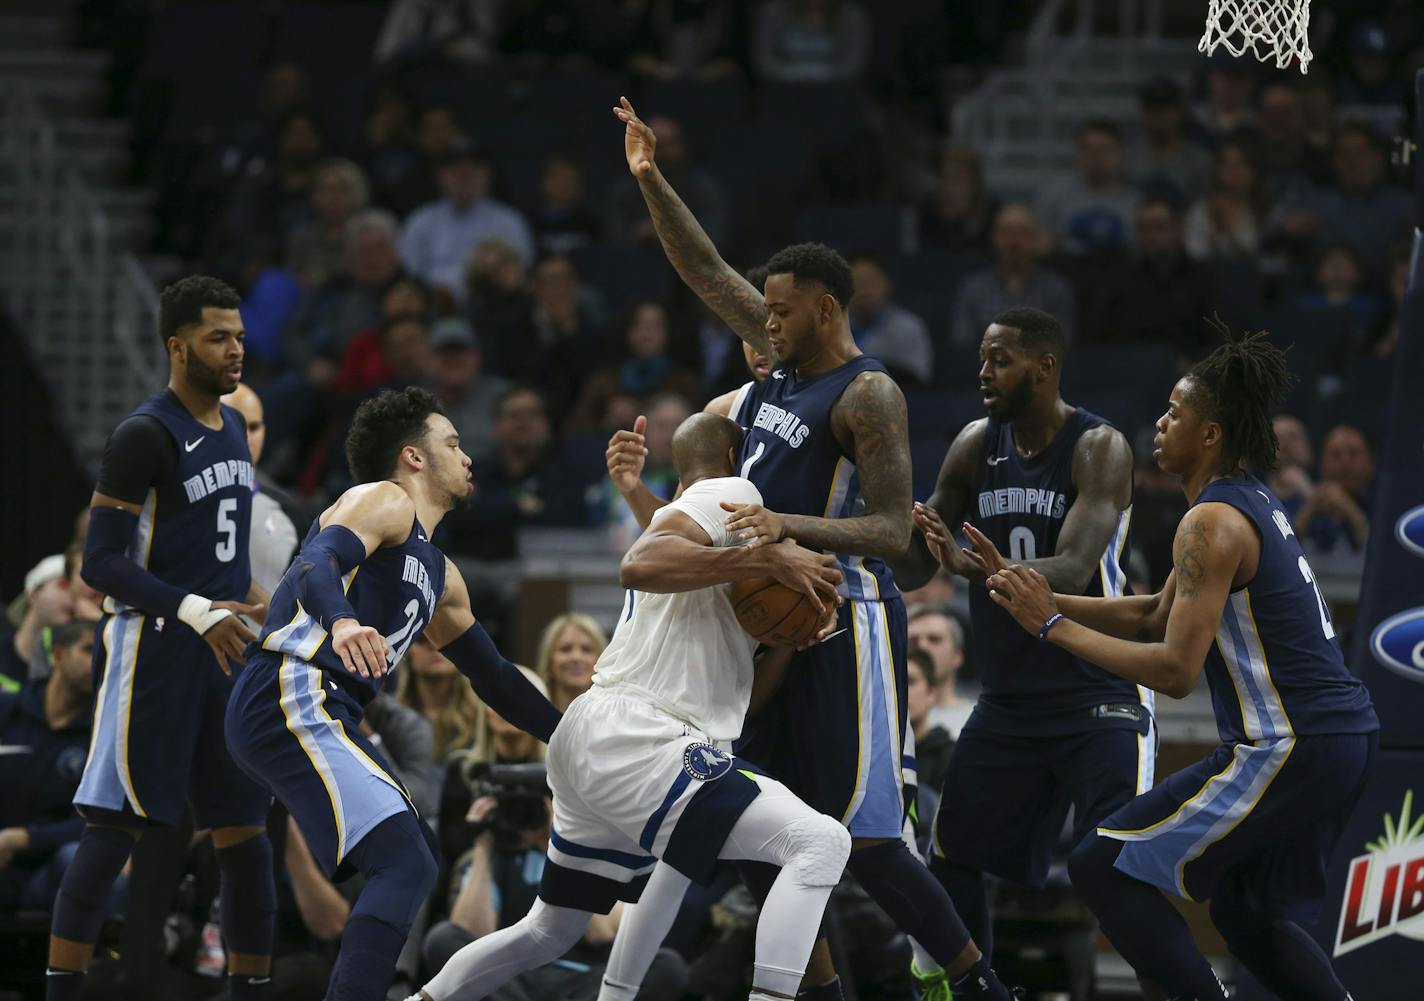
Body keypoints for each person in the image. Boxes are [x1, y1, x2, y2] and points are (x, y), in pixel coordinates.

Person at [611, 98, 1011, 1001]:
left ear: (824, 309)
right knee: (755, 829)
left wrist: (786, 527)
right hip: (767, 614)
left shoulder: (869, 393)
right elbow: (707, 271)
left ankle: (979, 985)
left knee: (865, 839)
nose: (765, 325)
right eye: (767, 312)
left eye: (782, 312)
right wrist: (650, 178)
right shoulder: (782, 361)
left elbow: (890, 526)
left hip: (847, 615)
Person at [982, 329, 1379, 1001]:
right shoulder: (1241, 499)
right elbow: (1149, 614)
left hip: (1291, 741)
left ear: (1212, 433)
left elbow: (1172, 669)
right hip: (1340, 738)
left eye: (1174, 413)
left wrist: (1050, 627)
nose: (1159, 425)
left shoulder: (1210, 522)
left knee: (1102, 864)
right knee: (1243, 910)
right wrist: (1040, 595)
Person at [410, 411, 852, 1001]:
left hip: (599, 734)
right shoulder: (735, 495)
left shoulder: (712, 542)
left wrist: (788, 634)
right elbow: (638, 563)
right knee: (820, 841)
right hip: (645, 736)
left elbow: (676, 553)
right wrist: (772, 560)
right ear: (733, 459)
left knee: (549, 929)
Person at [224, 386, 564, 1001]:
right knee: (406, 861)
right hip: (292, 688)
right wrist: (344, 621)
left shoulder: (442, 576)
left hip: (323, 707)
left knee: (411, 859)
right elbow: (312, 563)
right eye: (453, 443)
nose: (467, 457)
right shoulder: (383, 501)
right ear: (413, 457)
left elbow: (496, 679)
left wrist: (569, 733)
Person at [892, 306, 1147, 994]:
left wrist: (979, 568)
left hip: (1096, 689)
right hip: (1011, 700)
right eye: (981, 358)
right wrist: (881, 536)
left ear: (1045, 365)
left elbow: (1072, 565)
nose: (983, 372)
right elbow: (920, 562)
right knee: (949, 856)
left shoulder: (1099, 446)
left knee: (1115, 872)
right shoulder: (977, 442)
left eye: (999, 359)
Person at [47, 277, 275, 1001]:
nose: (236, 349)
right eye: (218, 337)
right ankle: (62, 988)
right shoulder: (144, 433)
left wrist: (238, 606)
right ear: (178, 347)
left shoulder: (235, 426)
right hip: (152, 651)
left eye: (239, 335)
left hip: (225, 654)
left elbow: (222, 548)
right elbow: (101, 562)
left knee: (244, 835)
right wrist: (192, 607)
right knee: (114, 827)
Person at [0, 618, 97, 914]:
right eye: (89, 650)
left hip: (45, 872)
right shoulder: (9, 710)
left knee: (79, 858)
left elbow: (93, 823)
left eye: (105, 654)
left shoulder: (101, 735)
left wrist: (23, 838)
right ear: (57, 654)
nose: (98, 663)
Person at [399, 141, 535, 307]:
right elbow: (410, 273)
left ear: (486, 174)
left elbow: (522, 271)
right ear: (441, 176)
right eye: (456, 171)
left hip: (495, 306)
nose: (464, 177)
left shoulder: (510, 221)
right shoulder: (420, 221)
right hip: (433, 310)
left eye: (472, 170)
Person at [951, 203, 1076, 347]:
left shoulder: (1057, 289)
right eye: (1006, 232)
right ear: (994, 238)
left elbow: (1059, 349)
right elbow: (961, 348)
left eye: (1023, 233)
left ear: (1036, 239)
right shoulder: (973, 289)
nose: (1014, 242)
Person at [223, 383, 300, 597]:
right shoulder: (173, 500)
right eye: (234, 424)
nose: (246, 438)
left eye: (254, 427)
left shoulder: (289, 513)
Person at [847, 254, 934, 387]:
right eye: (857, 283)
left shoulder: (910, 327)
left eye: (871, 282)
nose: (864, 290)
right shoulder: (829, 328)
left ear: (887, 284)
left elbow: (919, 377)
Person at [395, 637, 484, 760]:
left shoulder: (482, 716)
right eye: (422, 640)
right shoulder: (392, 719)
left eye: (444, 639)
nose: (433, 646)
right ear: (407, 651)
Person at [1295, 424, 1373, 553]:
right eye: (1335, 455)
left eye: (1353, 454)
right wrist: (1308, 510)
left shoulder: (1384, 504)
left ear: (1370, 463)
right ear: (1322, 464)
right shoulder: (1303, 502)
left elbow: (1380, 552)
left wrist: (1350, 510)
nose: (1345, 461)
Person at [906, 607, 971, 738]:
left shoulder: (977, 722)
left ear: (957, 656)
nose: (923, 647)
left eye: (934, 639)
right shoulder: (887, 720)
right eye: (913, 640)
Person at [533, 613, 609, 714]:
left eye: (586, 650)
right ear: (549, 661)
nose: (576, 657)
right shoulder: (530, 714)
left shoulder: (614, 717)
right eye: (565, 649)